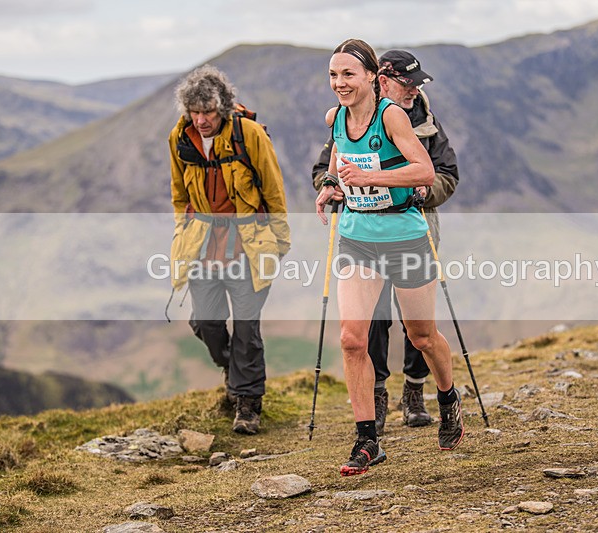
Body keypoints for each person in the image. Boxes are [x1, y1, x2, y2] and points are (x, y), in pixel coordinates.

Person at [315, 39, 464, 476]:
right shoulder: (335, 118)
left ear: (370, 78)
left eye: (348, 74)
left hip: (405, 237)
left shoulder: (392, 115)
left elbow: (426, 171)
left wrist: (370, 176)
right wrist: (331, 184)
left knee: (422, 337)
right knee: (351, 339)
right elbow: (341, 156)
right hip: (358, 239)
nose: (340, 83)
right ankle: (367, 441)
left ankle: (448, 397)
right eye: (333, 75)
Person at [168, 65, 291, 434]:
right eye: (195, 112)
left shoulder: (249, 135)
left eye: (208, 111)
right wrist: (182, 233)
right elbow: (179, 194)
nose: (202, 120)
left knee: (247, 328)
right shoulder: (179, 139)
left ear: (222, 107)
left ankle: (248, 406)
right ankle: (232, 368)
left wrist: (280, 242)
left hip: (249, 245)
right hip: (203, 245)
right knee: (207, 322)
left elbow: (273, 190)